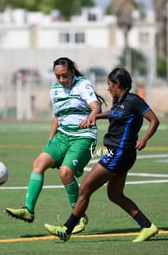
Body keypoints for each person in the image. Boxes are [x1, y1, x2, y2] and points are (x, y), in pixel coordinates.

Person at [44, 67, 160, 243]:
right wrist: (95, 117)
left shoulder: (134, 100)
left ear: (118, 84)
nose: (107, 88)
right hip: (119, 153)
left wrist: (144, 139)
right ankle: (147, 226)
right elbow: (114, 113)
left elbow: (154, 120)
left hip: (119, 153)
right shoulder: (118, 101)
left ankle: (67, 229)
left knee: (84, 189)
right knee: (115, 195)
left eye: (109, 84)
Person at [6, 57, 105, 234]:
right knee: (38, 164)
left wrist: (91, 117)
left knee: (65, 173)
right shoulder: (55, 90)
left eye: (64, 76)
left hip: (83, 137)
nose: (61, 80)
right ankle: (28, 210)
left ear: (72, 72)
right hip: (62, 136)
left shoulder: (82, 85)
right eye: (57, 76)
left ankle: (80, 217)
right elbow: (57, 117)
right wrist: (50, 140)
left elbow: (96, 107)